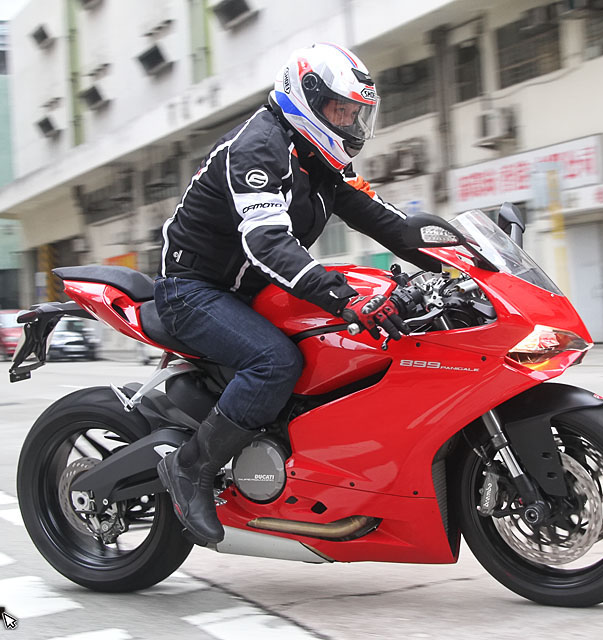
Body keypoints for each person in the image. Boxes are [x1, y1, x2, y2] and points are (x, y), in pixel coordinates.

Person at [154, 43, 439, 544]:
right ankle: (190, 467)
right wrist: (343, 296)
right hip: (195, 290)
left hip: (254, 287)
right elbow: (266, 239)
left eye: (356, 113)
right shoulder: (258, 147)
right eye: (341, 110)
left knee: (347, 344)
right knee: (275, 363)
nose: (350, 123)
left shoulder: (318, 156)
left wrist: (458, 258)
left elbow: (381, 218)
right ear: (306, 98)